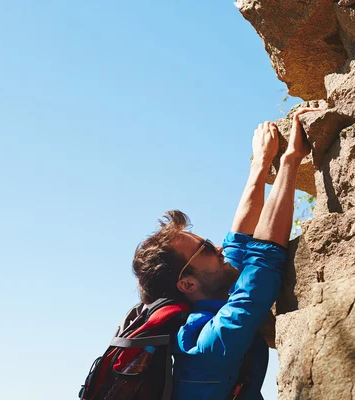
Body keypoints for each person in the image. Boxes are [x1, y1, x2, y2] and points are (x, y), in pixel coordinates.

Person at [131, 108, 317, 400]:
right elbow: (262, 261)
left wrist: (261, 163)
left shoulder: (204, 313)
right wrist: (291, 159)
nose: (218, 248)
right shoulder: (208, 342)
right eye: (205, 249)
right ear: (188, 284)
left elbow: (239, 244)